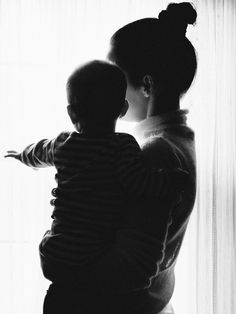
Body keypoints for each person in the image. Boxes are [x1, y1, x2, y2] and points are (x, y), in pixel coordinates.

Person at [5, 60, 186, 314]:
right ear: (122, 109)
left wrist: (21, 155)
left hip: (55, 257)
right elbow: (139, 182)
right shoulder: (122, 146)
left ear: (71, 113)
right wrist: (170, 182)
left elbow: (39, 152)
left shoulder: (63, 144)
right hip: (93, 255)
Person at [74, 2, 196, 314]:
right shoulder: (178, 141)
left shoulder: (156, 153)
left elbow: (132, 262)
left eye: (114, 76)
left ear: (146, 85)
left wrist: (72, 269)